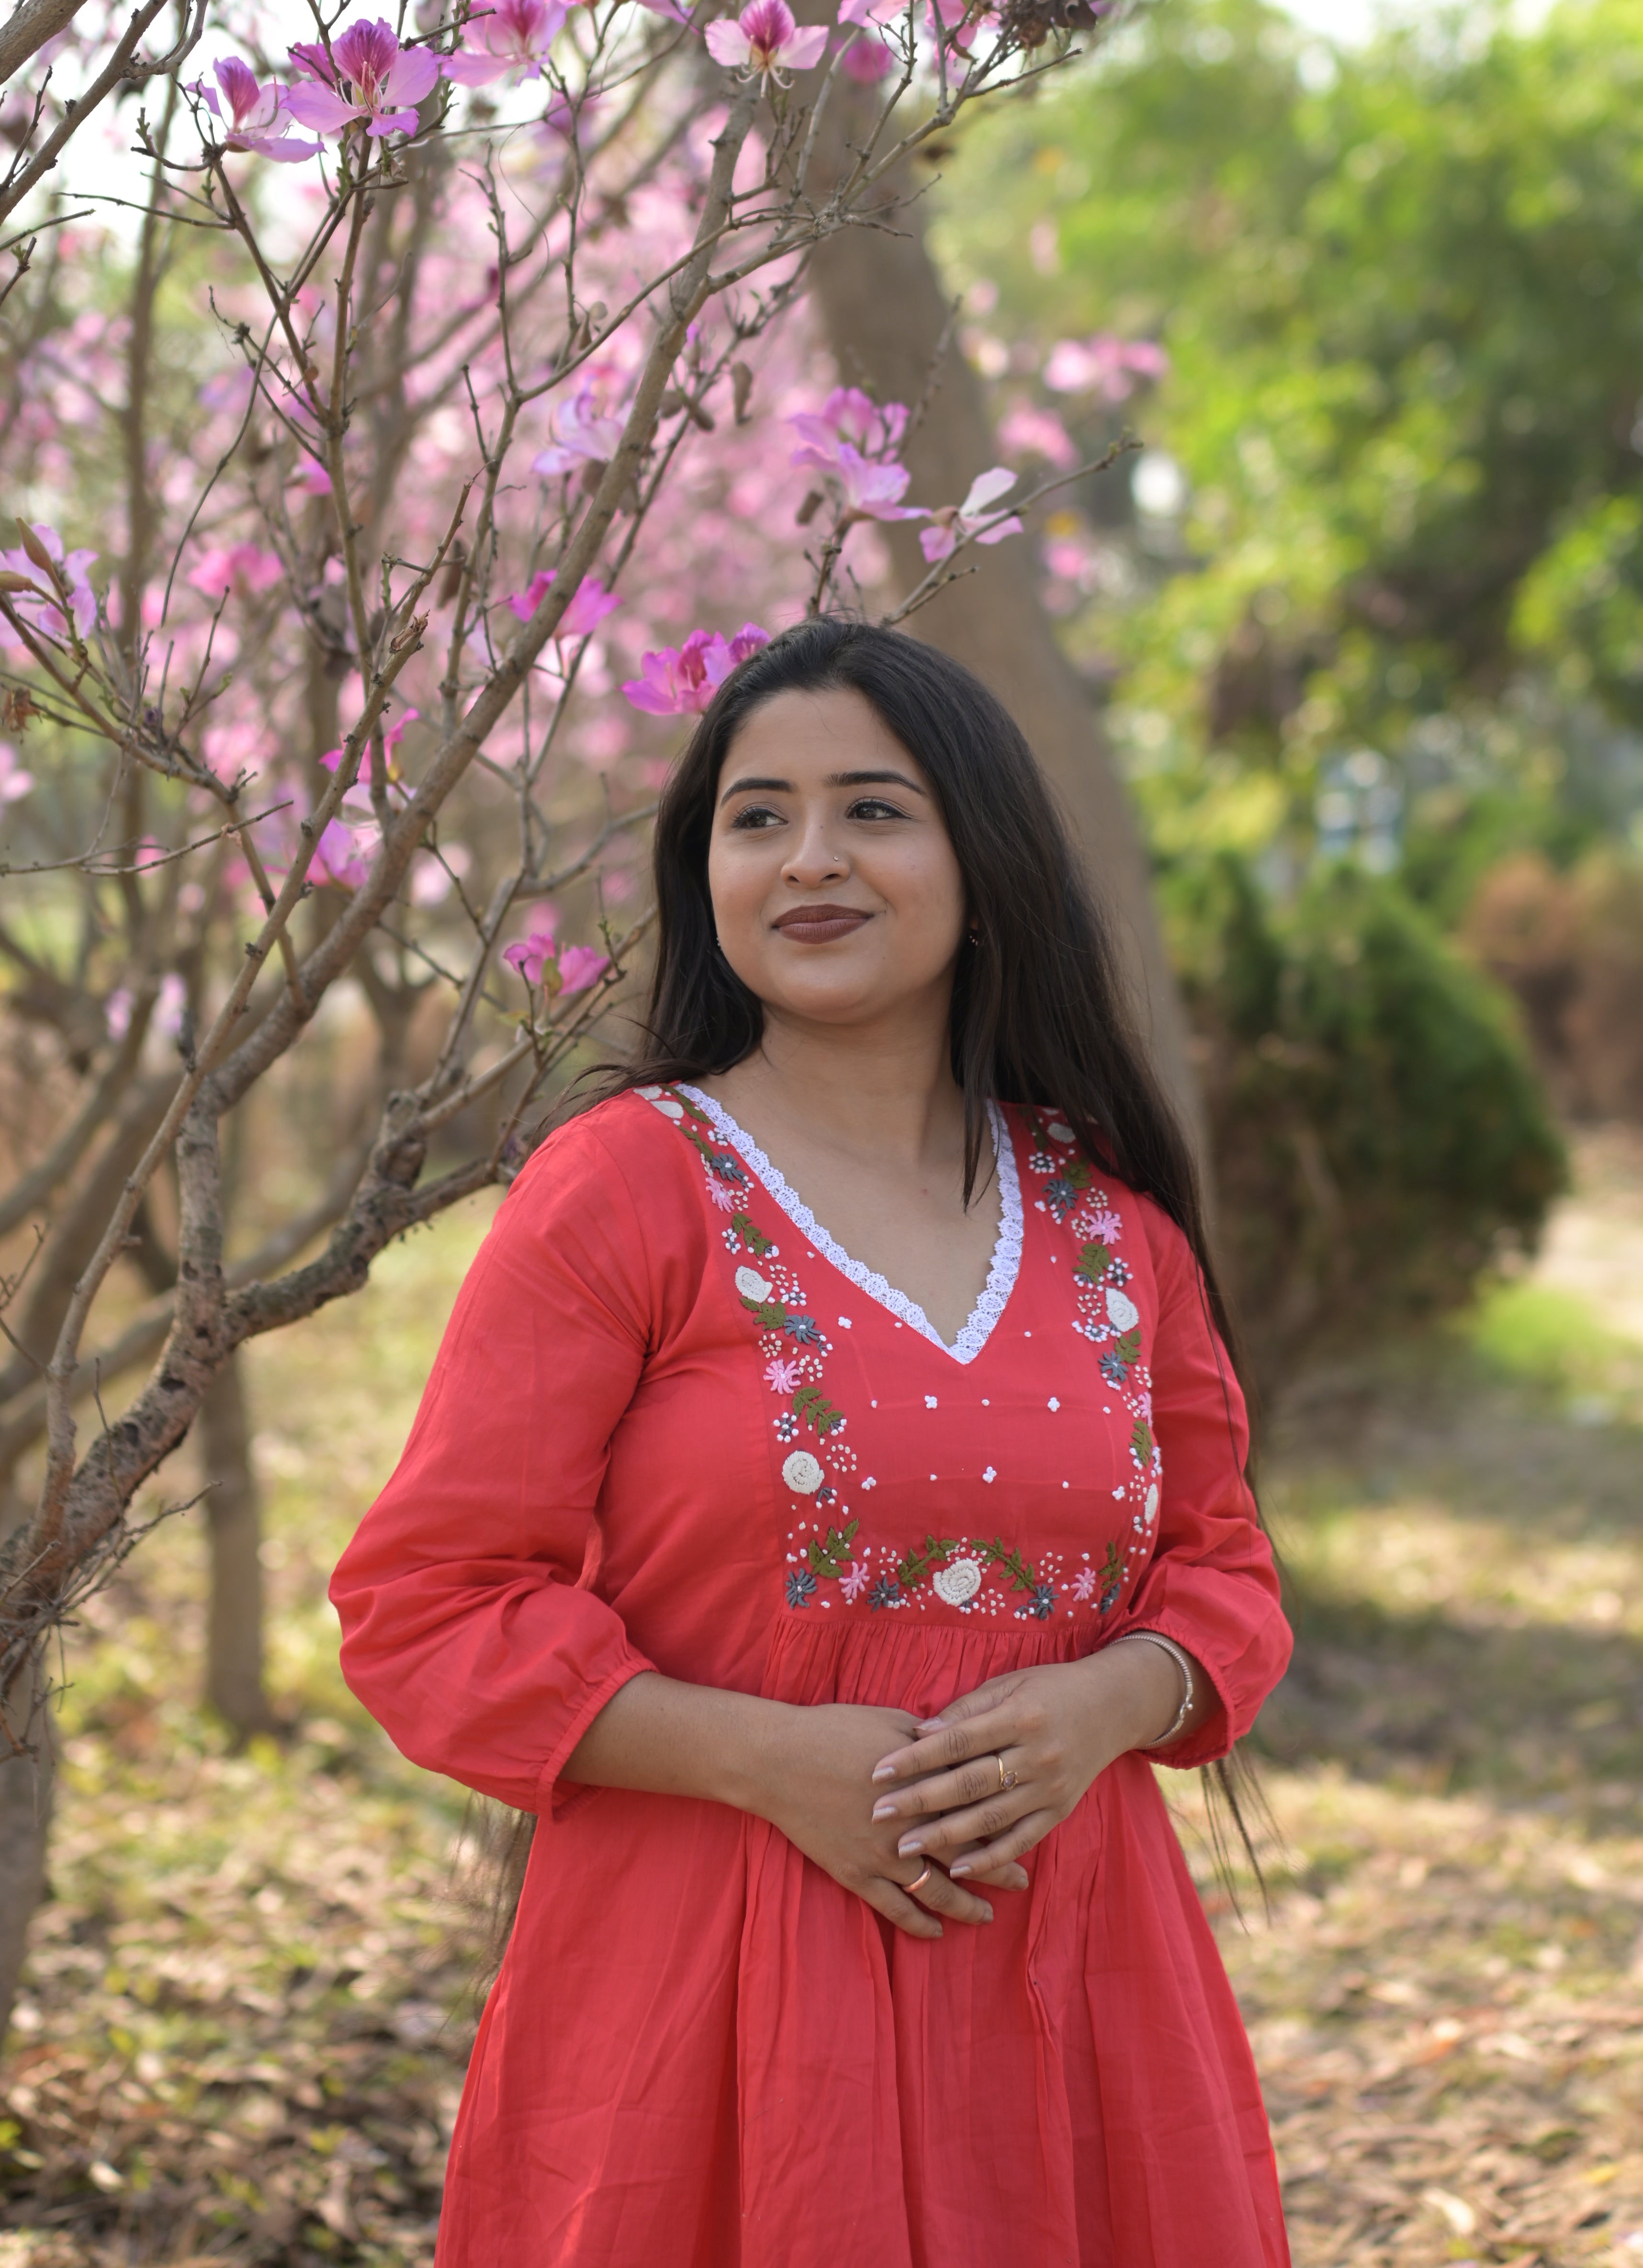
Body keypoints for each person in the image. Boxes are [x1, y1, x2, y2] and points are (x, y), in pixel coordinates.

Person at [331, 618, 1293, 2268]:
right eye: (756, 818)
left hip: (1076, 1999)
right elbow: (427, 1603)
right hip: (710, 2020)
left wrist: (1105, 1704)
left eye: (872, 809)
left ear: (982, 861)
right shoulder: (620, 1191)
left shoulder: (1113, 1228)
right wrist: (768, 1760)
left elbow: (1225, 1572)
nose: (809, 861)